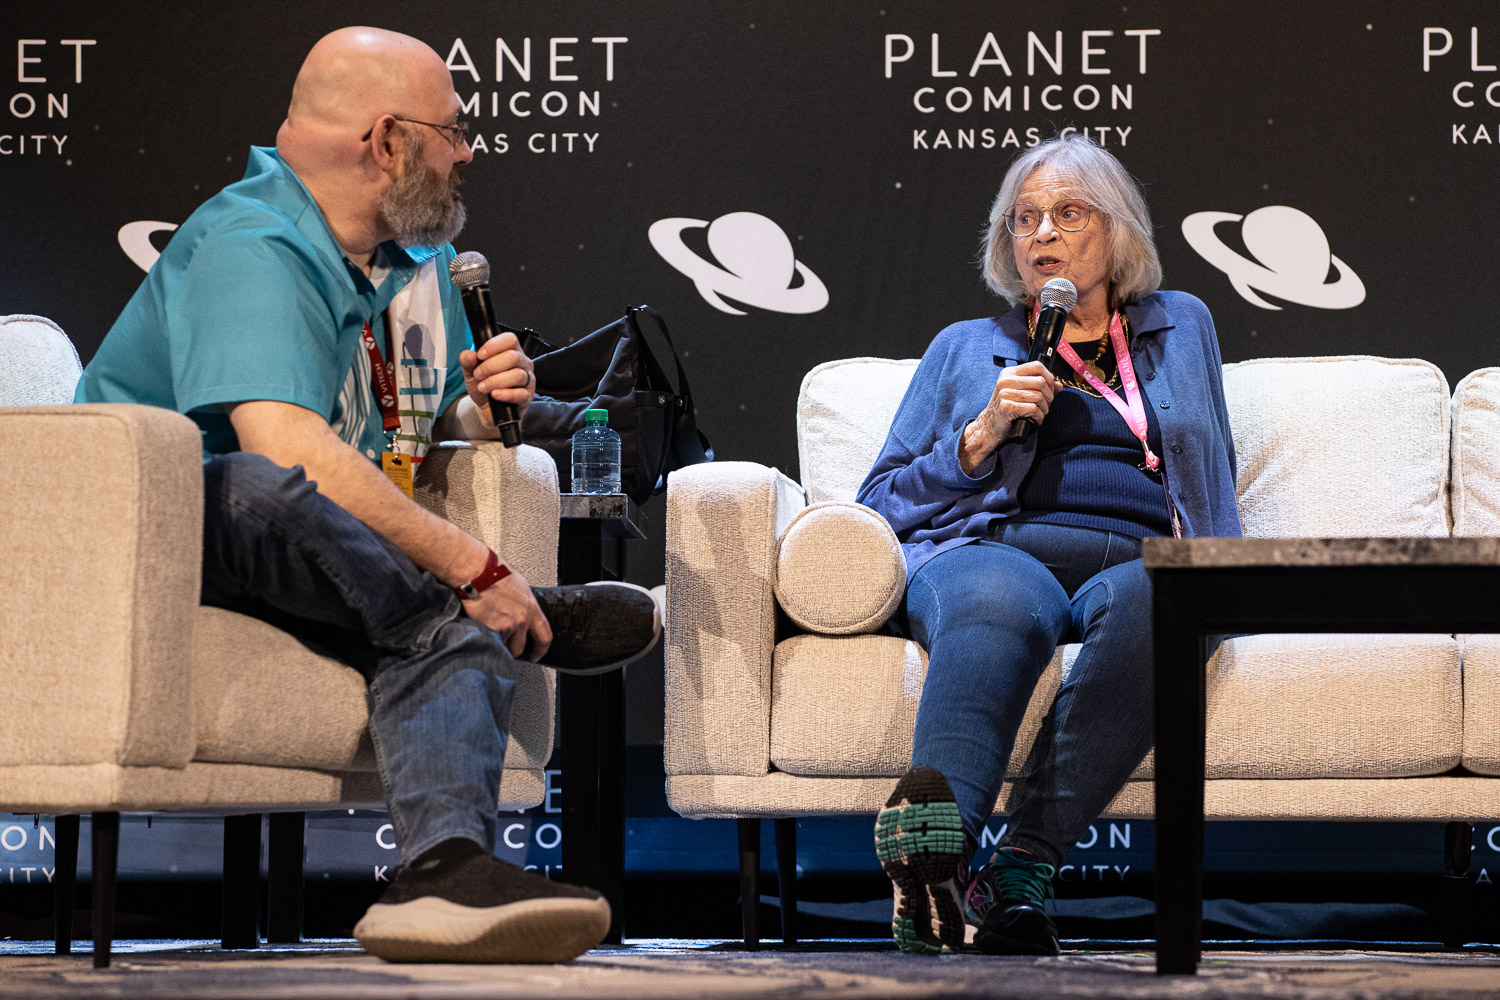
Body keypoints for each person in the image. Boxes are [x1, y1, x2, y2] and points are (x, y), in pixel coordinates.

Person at [75, 26, 658, 964]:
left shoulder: (398, 269)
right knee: (262, 486)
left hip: (305, 552)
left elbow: (384, 450)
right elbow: (285, 449)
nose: (468, 152)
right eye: (452, 130)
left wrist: (469, 418)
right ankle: (523, 611)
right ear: (389, 141)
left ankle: (442, 874)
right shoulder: (251, 239)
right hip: (162, 531)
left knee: (441, 626)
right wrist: (475, 563)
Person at [858, 134, 1242, 957]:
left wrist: (1222, 576)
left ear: (1117, 233)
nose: (1042, 235)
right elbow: (879, 503)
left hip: (1142, 555)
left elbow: (1212, 474)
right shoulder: (965, 347)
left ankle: (1018, 871)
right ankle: (938, 866)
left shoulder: (1184, 328)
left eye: (1068, 213)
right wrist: (981, 434)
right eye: (1024, 219)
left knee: (1169, 603)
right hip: (997, 544)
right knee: (995, 604)